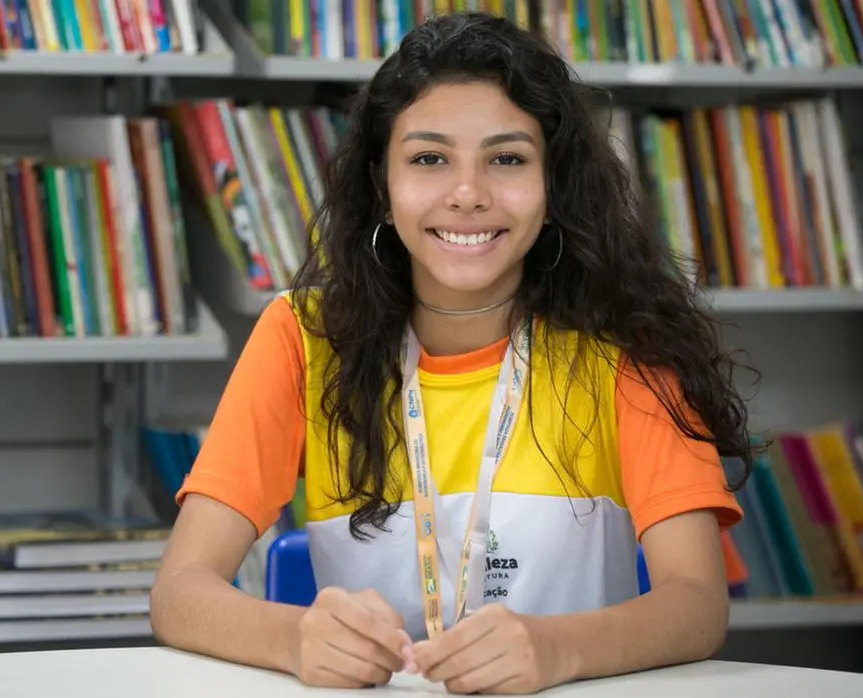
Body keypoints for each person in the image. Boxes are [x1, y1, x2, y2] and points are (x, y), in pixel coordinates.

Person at [150, 12, 751, 695]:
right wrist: (293, 638)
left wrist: (556, 650)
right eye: (429, 158)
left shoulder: (626, 345)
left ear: (555, 186)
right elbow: (178, 591)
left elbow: (698, 603)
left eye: (507, 158)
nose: (468, 194)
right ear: (382, 184)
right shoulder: (303, 336)